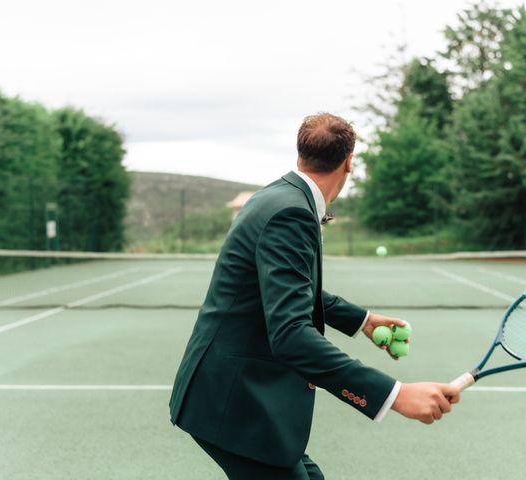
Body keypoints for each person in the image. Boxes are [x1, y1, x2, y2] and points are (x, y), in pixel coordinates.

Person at [169, 112, 460, 479]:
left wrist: (362, 320)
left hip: (227, 397)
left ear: (301, 154)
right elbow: (290, 335)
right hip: (232, 404)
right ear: (349, 162)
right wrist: (395, 394)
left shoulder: (277, 196)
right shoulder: (291, 213)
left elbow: (286, 290)